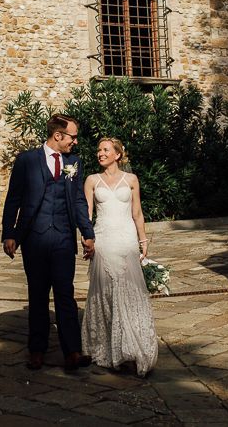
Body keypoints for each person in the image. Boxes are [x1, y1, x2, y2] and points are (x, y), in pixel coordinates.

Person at [1, 114, 95, 372]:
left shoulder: (73, 162)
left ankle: (72, 352)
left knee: (65, 294)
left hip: (64, 238)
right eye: (72, 137)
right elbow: (14, 199)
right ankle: (37, 351)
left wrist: (87, 232)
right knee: (38, 295)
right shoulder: (27, 160)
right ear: (58, 136)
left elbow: (77, 200)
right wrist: (9, 233)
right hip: (35, 238)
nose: (75, 142)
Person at [81, 138, 158, 376]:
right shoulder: (92, 180)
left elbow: (137, 213)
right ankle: (108, 347)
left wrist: (143, 241)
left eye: (105, 150)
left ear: (117, 154)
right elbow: (86, 213)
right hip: (103, 241)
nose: (100, 153)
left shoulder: (131, 180)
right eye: (98, 150)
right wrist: (86, 239)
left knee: (130, 291)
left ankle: (134, 346)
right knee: (105, 292)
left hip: (126, 240)